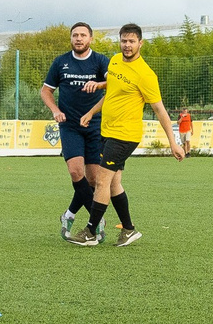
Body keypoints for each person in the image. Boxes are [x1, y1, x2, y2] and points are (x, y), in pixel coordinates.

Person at [75, 23, 184, 246]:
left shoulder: (145, 74)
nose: (127, 45)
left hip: (125, 135)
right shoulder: (114, 61)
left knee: (102, 180)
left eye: (132, 41)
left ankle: (90, 232)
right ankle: (128, 230)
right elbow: (112, 93)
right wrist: (91, 111)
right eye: (124, 40)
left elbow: (160, 110)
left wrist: (174, 142)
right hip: (107, 131)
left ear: (140, 43)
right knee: (114, 184)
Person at [41, 22, 108, 239]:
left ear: (91, 38)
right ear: (71, 38)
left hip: (95, 126)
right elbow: (45, 91)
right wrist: (55, 110)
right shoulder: (61, 62)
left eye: (82, 35)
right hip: (70, 126)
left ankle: (69, 214)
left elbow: (115, 84)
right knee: (75, 172)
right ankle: (96, 221)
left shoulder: (100, 61)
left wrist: (99, 85)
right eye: (75, 35)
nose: (78, 39)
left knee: (93, 180)